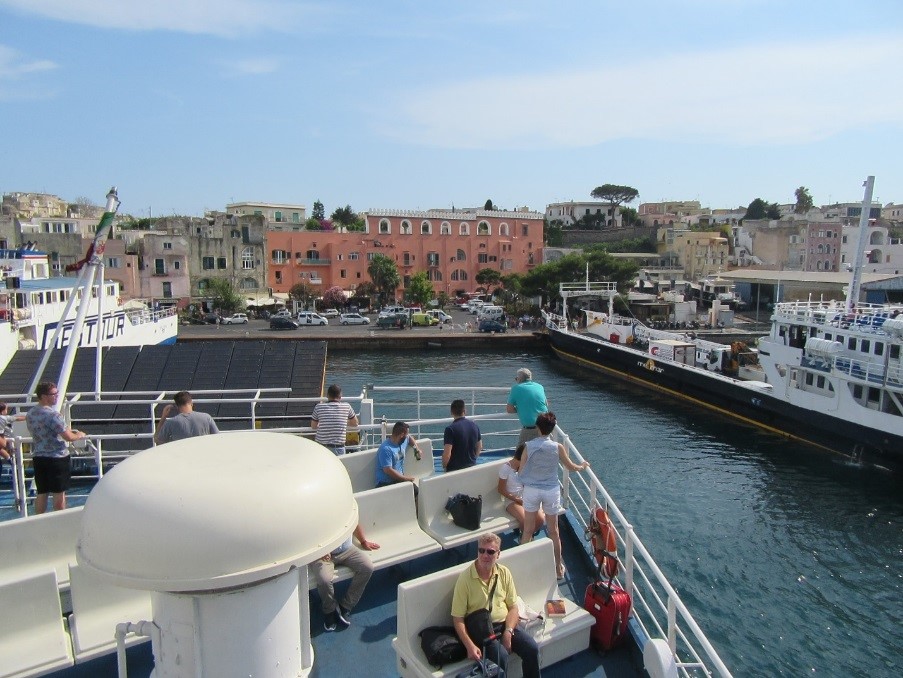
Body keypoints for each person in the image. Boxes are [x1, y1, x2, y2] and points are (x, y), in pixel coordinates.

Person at [451, 533, 540, 678]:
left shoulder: (504, 573)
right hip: (482, 630)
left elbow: (513, 607)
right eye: (481, 550)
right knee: (501, 657)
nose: (485, 555)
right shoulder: (465, 579)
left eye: (490, 552)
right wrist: (470, 646)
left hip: (505, 625)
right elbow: (457, 618)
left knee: (532, 649)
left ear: (498, 554)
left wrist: (508, 632)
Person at [519, 412, 589, 580]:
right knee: (554, 531)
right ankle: (558, 568)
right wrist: (582, 466)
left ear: (537, 427)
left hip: (531, 491)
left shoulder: (528, 446)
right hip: (551, 491)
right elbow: (570, 466)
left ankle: (522, 566)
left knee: (527, 530)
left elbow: (521, 470)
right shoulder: (558, 447)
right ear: (552, 429)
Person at [25, 382, 87, 514]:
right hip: (57, 457)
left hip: (39, 456)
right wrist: (79, 435)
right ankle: (60, 521)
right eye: (54, 394)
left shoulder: (30, 413)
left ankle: (38, 521)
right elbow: (68, 436)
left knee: (42, 492)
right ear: (43, 396)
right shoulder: (53, 415)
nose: (57, 397)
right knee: (59, 492)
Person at [309, 524, 380, 632]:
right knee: (324, 580)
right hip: (323, 556)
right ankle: (330, 610)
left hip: (347, 550)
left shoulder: (347, 507)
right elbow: (309, 531)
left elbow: (354, 522)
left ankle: (345, 606)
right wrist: (320, 550)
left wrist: (363, 541)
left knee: (367, 568)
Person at [497, 443, 545, 535]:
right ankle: (525, 538)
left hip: (525, 497)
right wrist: (517, 499)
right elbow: (501, 490)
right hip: (512, 500)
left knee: (540, 519)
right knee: (525, 520)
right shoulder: (505, 469)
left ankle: (527, 533)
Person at [154, 390, 220, 444]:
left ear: (176, 406)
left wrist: (163, 417)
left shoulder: (171, 422)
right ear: (191, 403)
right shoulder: (206, 417)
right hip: (203, 456)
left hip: (181, 457)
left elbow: (157, 440)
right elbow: (218, 437)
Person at [310, 384, 359, 455]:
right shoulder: (346, 406)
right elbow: (355, 423)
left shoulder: (318, 407)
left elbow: (313, 426)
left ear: (327, 395)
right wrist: (344, 422)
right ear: (340, 396)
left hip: (321, 448)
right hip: (338, 448)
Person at [506, 368, 549, 445]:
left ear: (519, 379)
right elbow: (546, 404)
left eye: (516, 379)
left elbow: (509, 409)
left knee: (520, 454)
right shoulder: (540, 386)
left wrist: (519, 408)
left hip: (531, 428)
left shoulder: (516, 388)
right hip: (545, 426)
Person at [375, 421, 424, 489]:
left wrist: (416, 449)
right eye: (406, 434)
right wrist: (405, 478)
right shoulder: (386, 449)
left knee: (416, 490)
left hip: (398, 480)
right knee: (412, 491)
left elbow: (409, 438)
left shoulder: (403, 440)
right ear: (401, 435)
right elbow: (388, 470)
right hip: (385, 483)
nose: (407, 436)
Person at [442, 399, 482, 471]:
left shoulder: (450, 429)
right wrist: (472, 460)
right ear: (464, 411)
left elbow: (447, 455)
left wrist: (444, 467)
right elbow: (479, 446)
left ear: (452, 412)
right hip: (471, 467)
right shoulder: (474, 426)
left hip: (454, 470)